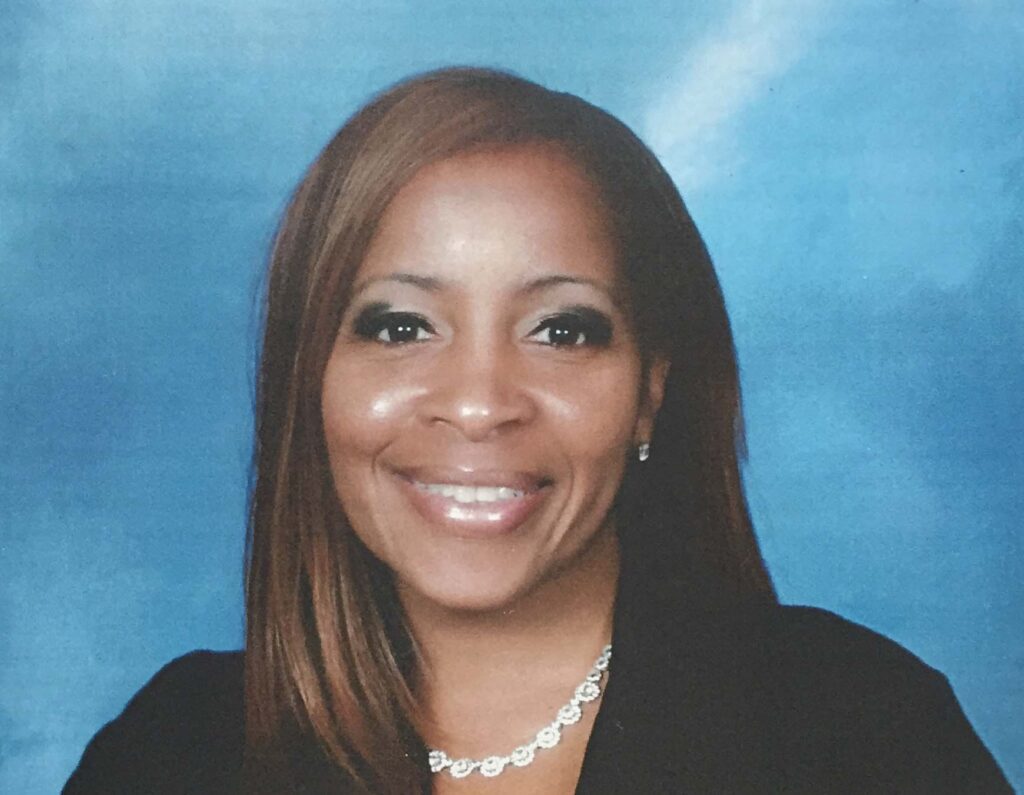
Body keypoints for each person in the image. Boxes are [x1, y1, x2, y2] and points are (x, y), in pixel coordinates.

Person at [63, 67, 1011, 794]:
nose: (479, 404)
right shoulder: (175, 752)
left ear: (649, 393)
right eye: (401, 326)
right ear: (310, 378)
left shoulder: (861, 731)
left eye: (562, 330)